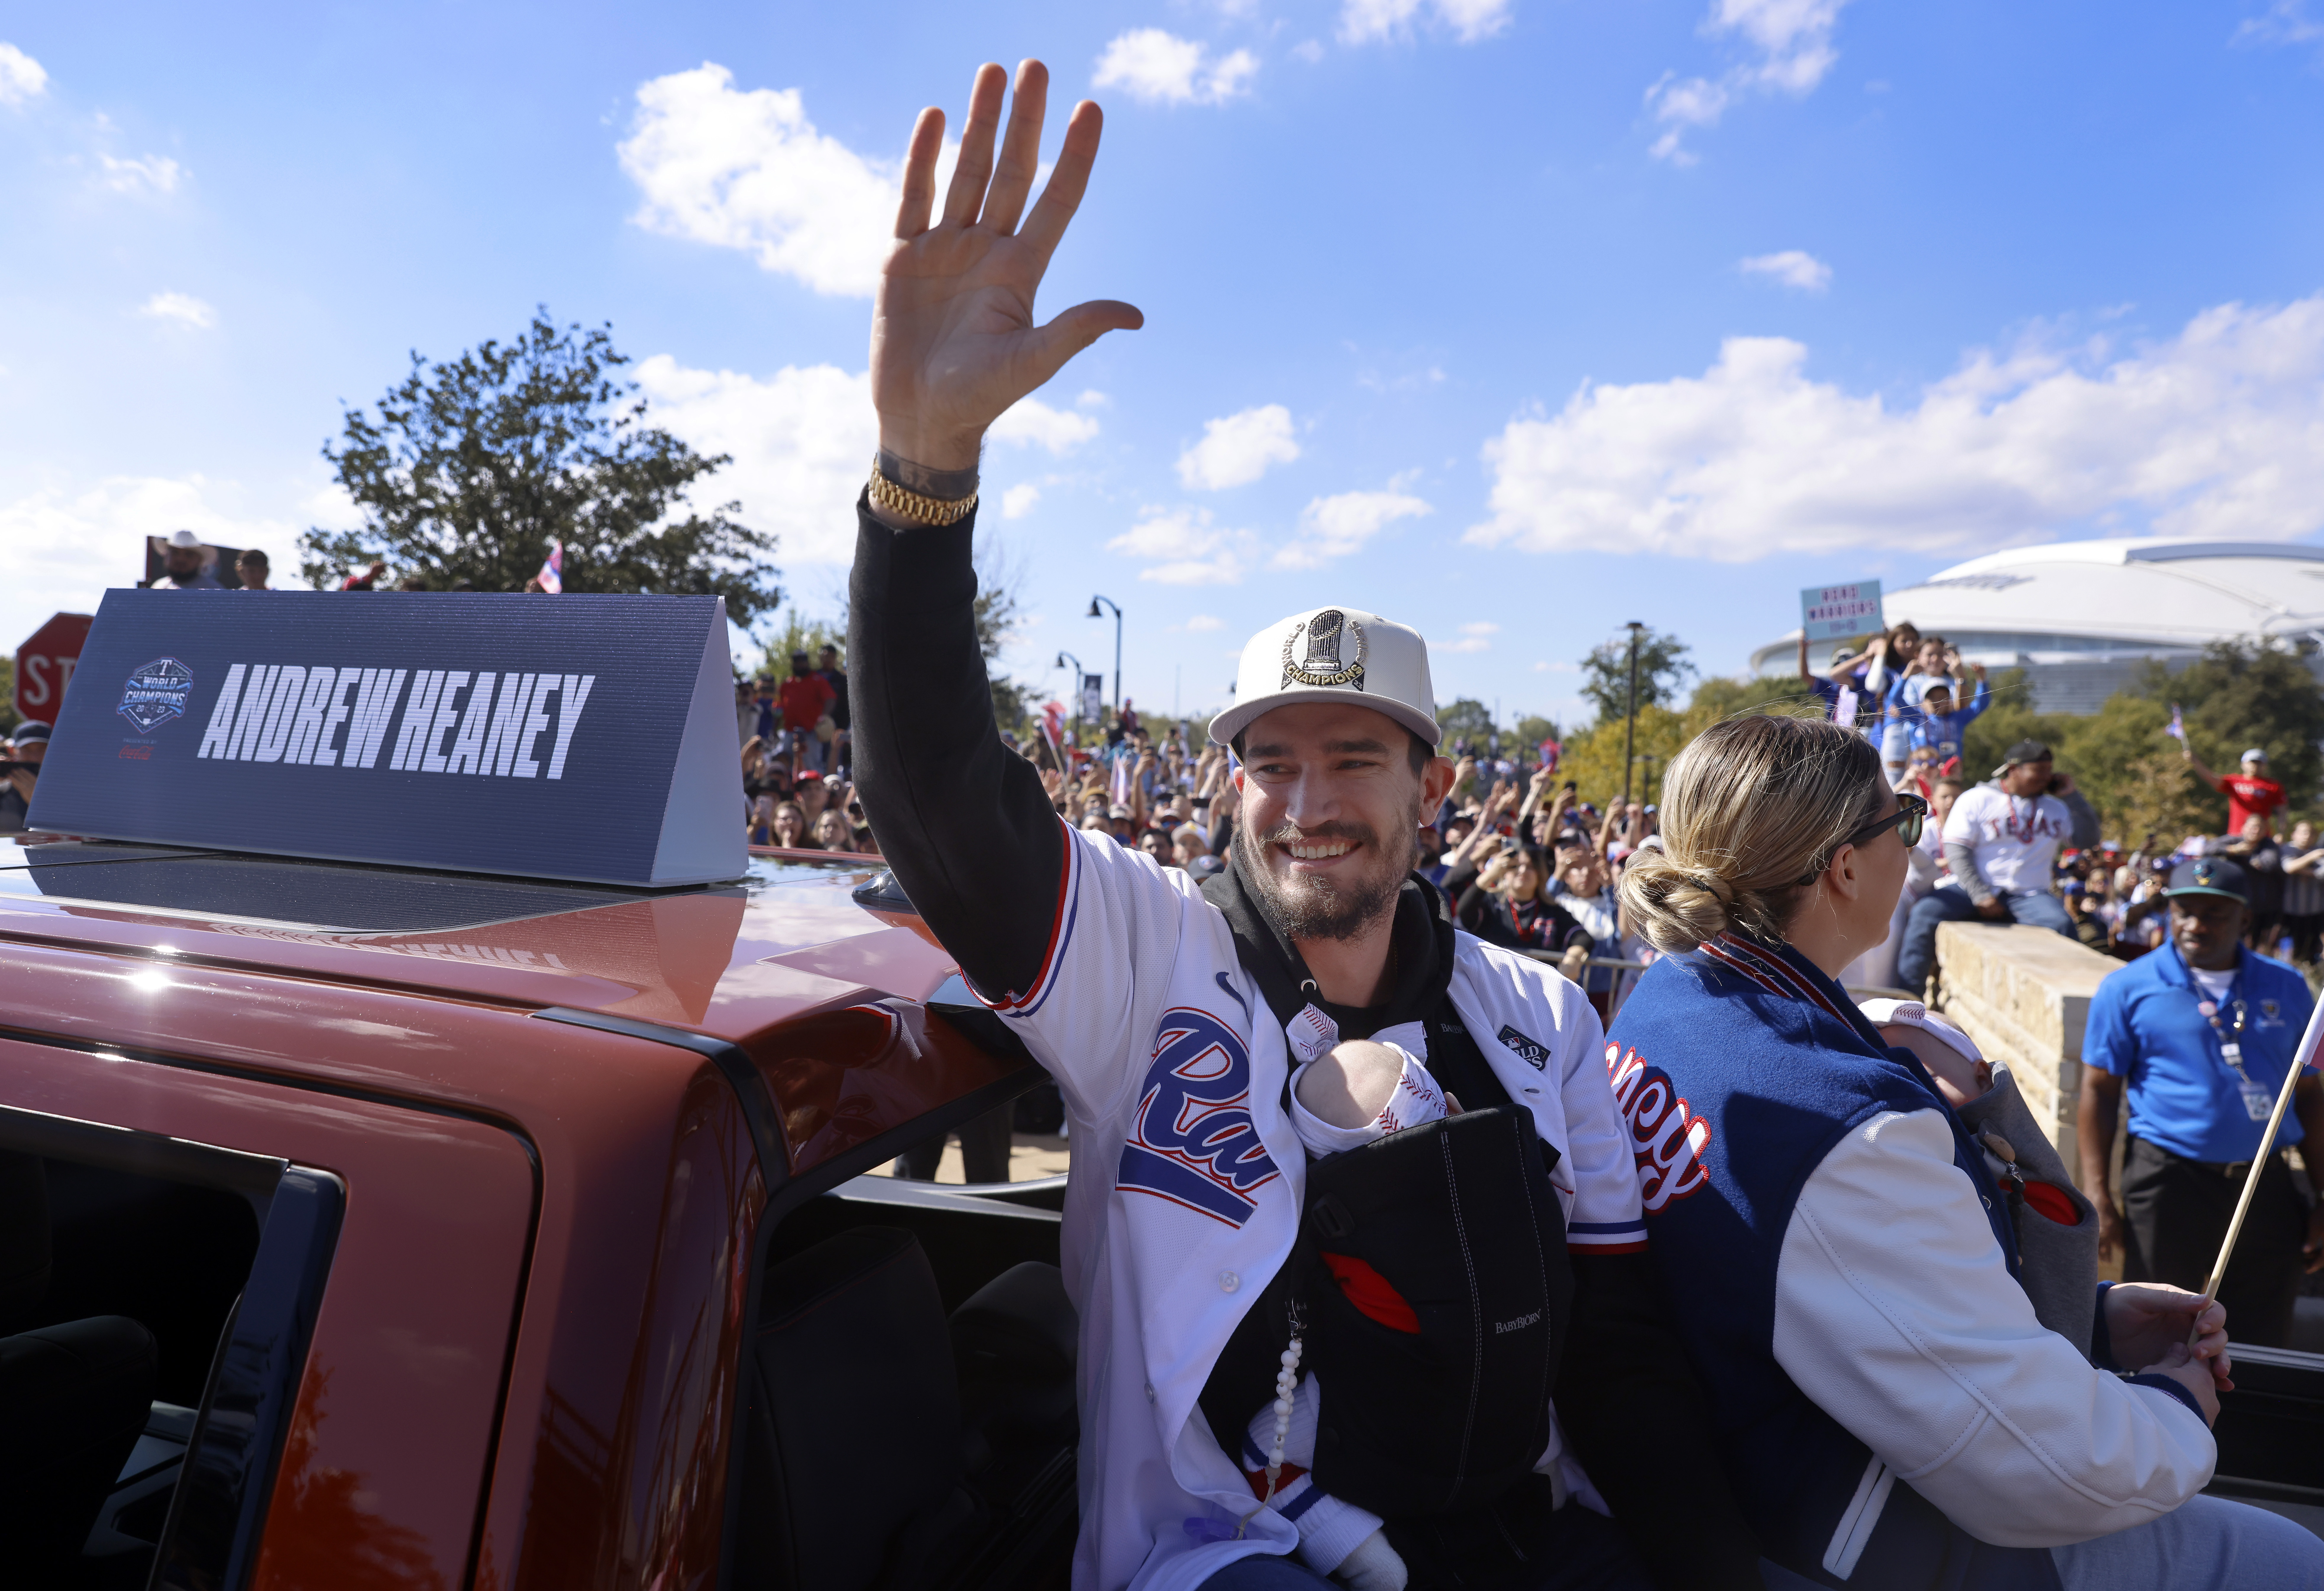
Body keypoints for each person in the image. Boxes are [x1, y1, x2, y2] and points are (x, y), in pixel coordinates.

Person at [847, 60, 1757, 1591]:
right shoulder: (1150, 954)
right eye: (1270, 758)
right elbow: (937, 795)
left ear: (1435, 789)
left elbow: (1614, 1353)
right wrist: (923, 479)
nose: (1310, 798)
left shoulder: (1536, 1014)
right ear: (1228, 782)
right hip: (1221, 1558)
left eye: (1356, 756)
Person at [1609, 713, 2321, 1589]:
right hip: (1848, 1531)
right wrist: (2176, 1410)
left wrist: (2090, 1320)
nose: (1916, 841)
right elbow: (2040, 1466)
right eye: (1903, 819)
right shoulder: (1838, 1119)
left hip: (1723, 1485)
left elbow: (1835, 1291)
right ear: (1842, 866)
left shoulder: (1670, 997)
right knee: (2292, 1560)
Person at [2078, 856, 2324, 1349]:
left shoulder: (2288, 987)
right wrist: (2098, 1195)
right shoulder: (2128, 987)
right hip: (2168, 1184)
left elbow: (2311, 1097)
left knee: (2259, 1337)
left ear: (2244, 920)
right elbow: (2099, 1093)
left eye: (2213, 913)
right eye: (2184, 911)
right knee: (2158, 1336)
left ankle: (2242, 1428)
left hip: (2265, 1186)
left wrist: (2321, 1196)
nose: (2195, 925)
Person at [1894, 740, 2076, 993]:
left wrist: (2072, 795)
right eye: (2040, 770)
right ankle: (1907, 1001)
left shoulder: (2056, 808)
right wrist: (1980, 894)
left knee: (2062, 925)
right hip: (1970, 889)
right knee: (1924, 914)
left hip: (2029, 895)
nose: (2048, 777)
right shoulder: (1978, 798)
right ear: (2014, 771)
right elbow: (1957, 852)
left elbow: (2087, 839)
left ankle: (2071, 1008)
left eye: (2050, 770)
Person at [2183, 745, 2285, 837]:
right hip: (2236, 835)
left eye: (2259, 763)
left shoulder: (2273, 786)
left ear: (2265, 766)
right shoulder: (2234, 781)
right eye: (2252, 762)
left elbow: (2282, 812)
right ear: (2243, 764)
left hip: (2262, 837)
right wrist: (2196, 762)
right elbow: (2211, 778)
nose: (2255, 765)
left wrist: (2281, 834)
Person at [778, 653, 836, 777]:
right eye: (797, 661)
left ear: (808, 663)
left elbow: (831, 699)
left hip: (811, 732)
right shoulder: (788, 683)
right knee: (786, 765)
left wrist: (824, 717)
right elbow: (780, 708)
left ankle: (817, 792)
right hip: (789, 732)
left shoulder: (817, 680)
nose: (800, 664)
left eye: (803, 661)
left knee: (812, 767)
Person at [2284, 820, 2324, 964]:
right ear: (2294, 834)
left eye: (2311, 833)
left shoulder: (2319, 851)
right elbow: (2289, 867)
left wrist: (2305, 870)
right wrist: (2312, 858)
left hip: (2315, 911)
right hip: (2291, 912)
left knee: (2312, 949)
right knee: (2290, 950)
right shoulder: (2288, 849)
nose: (2307, 836)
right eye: (2304, 832)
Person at [0, 721, 46, 833]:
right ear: (13, 751)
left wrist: (41, 803)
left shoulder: (68, 791)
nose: (34, 758)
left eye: (42, 750)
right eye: (27, 750)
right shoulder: (4, 791)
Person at [817, 643, 852, 775]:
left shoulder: (842, 680)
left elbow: (847, 707)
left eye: (832, 657)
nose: (828, 659)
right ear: (821, 657)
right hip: (814, 730)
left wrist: (841, 727)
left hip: (835, 729)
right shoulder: (814, 677)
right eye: (826, 656)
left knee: (834, 762)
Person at [151, 529, 223, 590]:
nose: (181, 559)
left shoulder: (213, 590)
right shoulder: (158, 587)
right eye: (175, 553)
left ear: (199, 560)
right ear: (166, 555)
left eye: (189, 555)